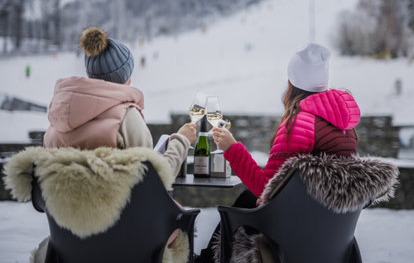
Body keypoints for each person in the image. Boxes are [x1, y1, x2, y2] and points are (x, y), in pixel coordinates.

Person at [195, 44, 361, 262]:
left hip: (293, 237)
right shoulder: (345, 127)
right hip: (328, 236)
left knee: (246, 200)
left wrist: (231, 148)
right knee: (247, 198)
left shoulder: (299, 124)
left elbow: (266, 191)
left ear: (292, 82)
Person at [43, 27, 196, 247]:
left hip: (70, 243)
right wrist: (181, 140)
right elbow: (155, 183)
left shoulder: (57, 120)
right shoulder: (126, 118)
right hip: (121, 242)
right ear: (125, 77)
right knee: (179, 218)